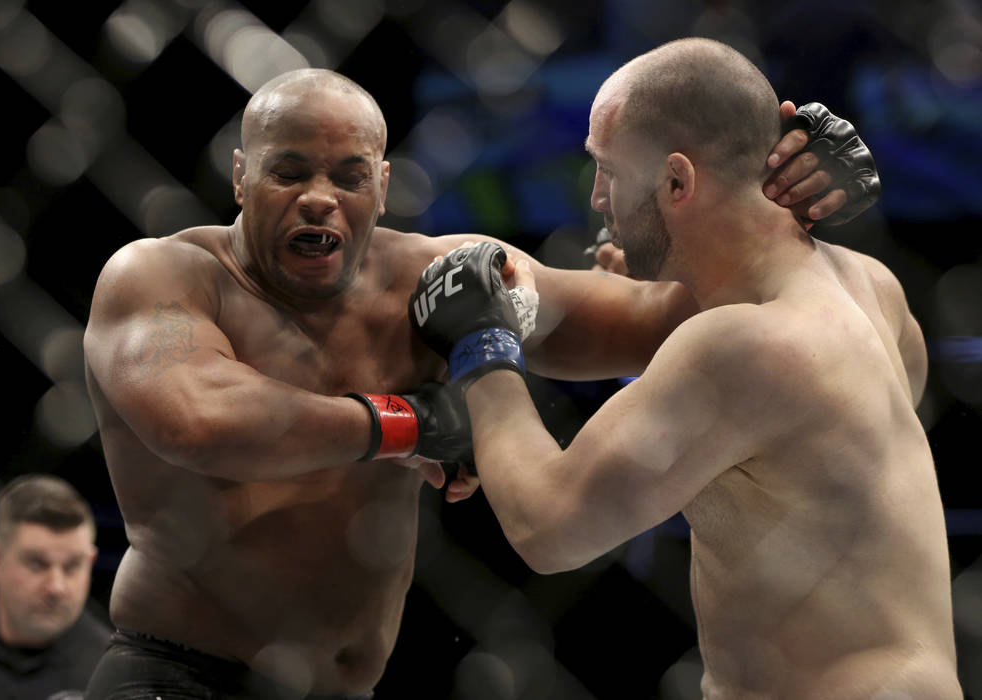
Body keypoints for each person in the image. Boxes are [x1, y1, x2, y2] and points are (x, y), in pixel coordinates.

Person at [80, 66, 878, 699]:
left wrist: (778, 199)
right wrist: (412, 424)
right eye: (289, 172)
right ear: (241, 177)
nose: (320, 196)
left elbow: (656, 314)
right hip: (177, 679)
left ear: (383, 186)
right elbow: (197, 416)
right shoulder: (164, 276)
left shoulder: (438, 274)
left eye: (348, 176)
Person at [410, 38, 961, 699]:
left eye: (608, 171)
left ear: (677, 181)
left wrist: (480, 348)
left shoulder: (743, 344)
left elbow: (548, 529)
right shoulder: (872, 285)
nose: (596, 199)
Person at [0, 474, 109, 700]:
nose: (56, 587)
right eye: (37, 564)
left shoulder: (121, 676)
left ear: (90, 563)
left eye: (73, 566)